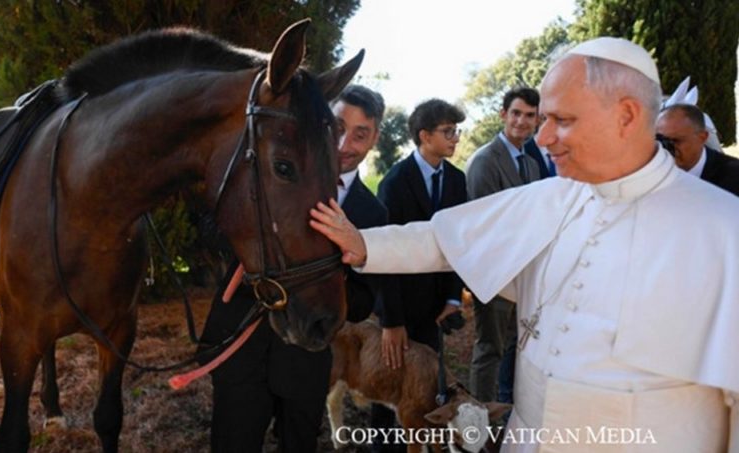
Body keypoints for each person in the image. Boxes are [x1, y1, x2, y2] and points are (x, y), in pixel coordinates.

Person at [311, 37, 739, 452]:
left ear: (626, 116)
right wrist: (362, 243)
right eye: (543, 120)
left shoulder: (724, 229)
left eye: (562, 120)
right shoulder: (555, 196)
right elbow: (445, 237)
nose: (542, 137)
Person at [201, 84, 390, 453]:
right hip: (242, 352)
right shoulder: (269, 172)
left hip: (305, 362)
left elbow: (364, 302)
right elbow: (209, 233)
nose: (344, 144)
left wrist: (336, 261)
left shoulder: (374, 214)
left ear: (374, 139)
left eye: (360, 134)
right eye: (337, 128)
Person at [371, 99, 467, 451]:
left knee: (425, 384)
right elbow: (383, 254)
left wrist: (453, 298)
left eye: (456, 131)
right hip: (398, 308)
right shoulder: (395, 182)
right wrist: (391, 320)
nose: (455, 138)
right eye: (448, 131)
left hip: (435, 308)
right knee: (390, 384)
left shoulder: (457, 181)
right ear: (424, 136)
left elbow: (458, 245)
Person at [464, 87, 541, 406]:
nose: (522, 122)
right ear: (503, 115)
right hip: (495, 273)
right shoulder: (484, 161)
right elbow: (483, 226)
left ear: (538, 121)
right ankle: (477, 420)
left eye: (530, 116)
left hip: (524, 274)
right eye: (516, 113)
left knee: (515, 345)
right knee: (490, 349)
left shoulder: (533, 165)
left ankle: (506, 411)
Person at [656, 103, 739, 196]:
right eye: (661, 140)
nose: (666, 148)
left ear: (702, 138)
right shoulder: (650, 173)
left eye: (676, 141)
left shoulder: (734, 177)